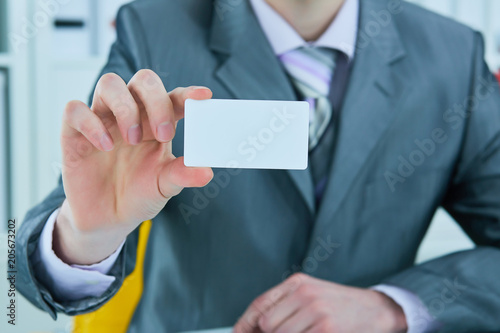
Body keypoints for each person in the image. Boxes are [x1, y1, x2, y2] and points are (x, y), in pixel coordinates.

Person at [17, 0, 500, 332]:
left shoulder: (453, 55)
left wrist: (394, 307)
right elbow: (25, 277)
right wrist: (87, 238)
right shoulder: (153, 29)